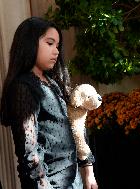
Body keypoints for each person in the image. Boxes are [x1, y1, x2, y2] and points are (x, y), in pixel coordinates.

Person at [0, 17, 98, 189]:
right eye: (50, 43)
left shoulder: (53, 82)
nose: (56, 51)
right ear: (29, 43)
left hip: (74, 181)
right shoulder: (23, 87)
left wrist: (88, 173)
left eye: (58, 45)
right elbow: (29, 152)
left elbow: (77, 127)